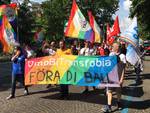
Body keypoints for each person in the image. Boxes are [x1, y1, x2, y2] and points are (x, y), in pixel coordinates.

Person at [101, 42, 126, 112]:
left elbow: (123, 68)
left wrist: (122, 78)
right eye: (112, 46)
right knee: (109, 91)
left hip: (118, 76)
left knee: (118, 91)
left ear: (117, 47)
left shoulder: (122, 56)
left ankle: (119, 103)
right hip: (111, 75)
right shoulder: (111, 54)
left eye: (113, 46)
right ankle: (109, 106)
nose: (112, 47)